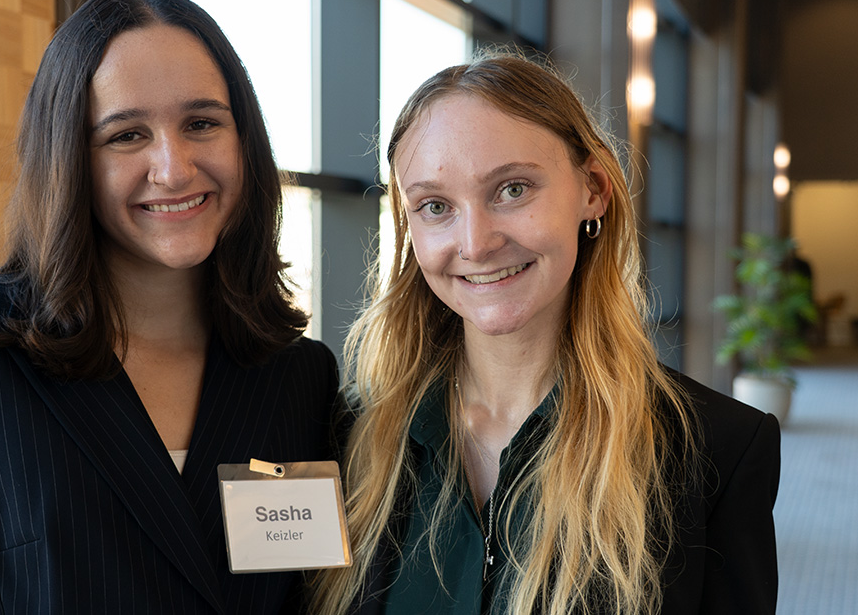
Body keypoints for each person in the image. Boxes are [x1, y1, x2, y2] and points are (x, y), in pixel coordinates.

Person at [0, 0, 338, 614]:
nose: (174, 168)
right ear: (69, 157)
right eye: (126, 135)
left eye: (202, 123)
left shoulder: (299, 377)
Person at [313, 52, 780, 614]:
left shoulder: (714, 449)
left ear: (593, 190)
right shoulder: (351, 435)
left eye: (512, 190)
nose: (477, 242)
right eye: (435, 206)